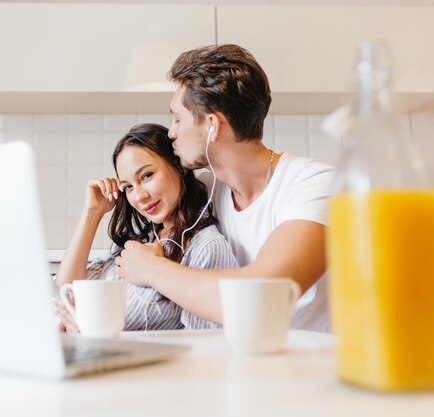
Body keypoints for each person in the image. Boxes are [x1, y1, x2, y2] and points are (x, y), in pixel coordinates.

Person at [114, 45, 336, 332]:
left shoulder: (315, 185)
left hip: (319, 369)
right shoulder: (209, 191)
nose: (171, 133)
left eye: (178, 119)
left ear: (212, 126)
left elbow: (260, 301)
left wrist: (151, 270)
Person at [55, 123, 238, 331]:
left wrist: (88, 331)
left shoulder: (205, 247)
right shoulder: (143, 240)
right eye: (128, 187)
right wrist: (92, 213)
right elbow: (66, 287)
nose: (140, 196)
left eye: (147, 176)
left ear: (178, 165)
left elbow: (210, 345)